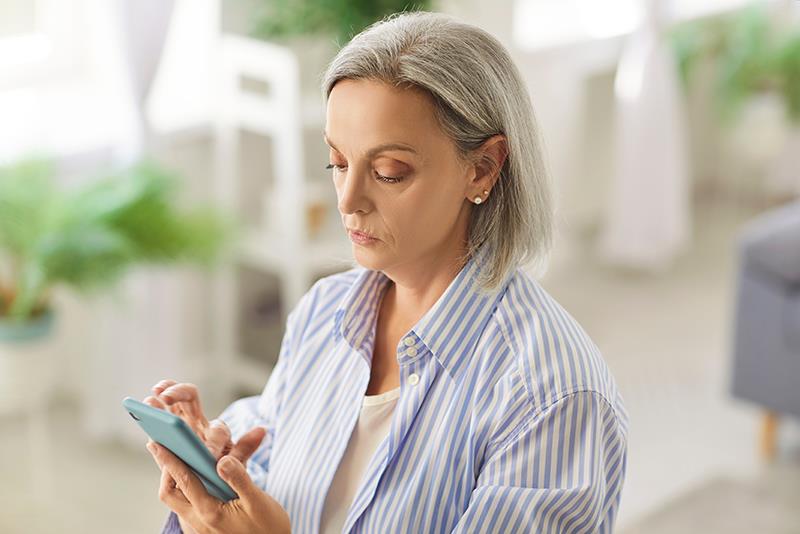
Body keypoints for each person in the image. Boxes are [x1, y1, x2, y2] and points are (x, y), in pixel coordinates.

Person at [144, 11, 629, 534]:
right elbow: (275, 457)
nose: (349, 200)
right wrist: (222, 486)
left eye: (388, 172)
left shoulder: (549, 399)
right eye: (337, 163)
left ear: (482, 168)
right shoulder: (324, 312)